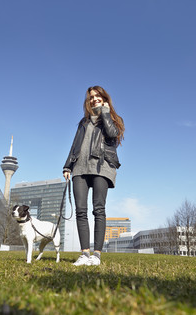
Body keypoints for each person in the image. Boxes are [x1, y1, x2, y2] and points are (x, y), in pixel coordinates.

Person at [63, 86, 125, 266]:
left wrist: (105, 112)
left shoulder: (112, 118)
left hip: (102, 166)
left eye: (97, 96)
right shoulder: (83, 122)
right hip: (80, 168)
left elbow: (112, 134)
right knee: (80, 211)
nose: (94, 99)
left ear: (104, 98)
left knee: (98, 209)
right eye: (91, 97)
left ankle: (96, 255)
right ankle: (84, 253)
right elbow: (74, 145)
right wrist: (67, 166)